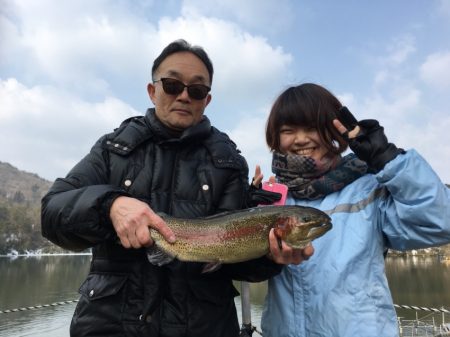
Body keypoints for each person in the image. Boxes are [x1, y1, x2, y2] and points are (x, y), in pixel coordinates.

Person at [41, 39, 304, 337]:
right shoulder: (111, 149)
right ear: (153, 91)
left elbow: (235, 265)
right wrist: (109, 206)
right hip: (111, 327)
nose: (184, 96)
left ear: (207, 100)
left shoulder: (229, 163)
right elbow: (51, 214)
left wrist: (270, 257)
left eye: (196, 90)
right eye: (172, 85)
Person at [257, 83, 450, 337]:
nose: (301, 138)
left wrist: (387, 158)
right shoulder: (272, 198)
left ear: (334, 131)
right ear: (275, 138)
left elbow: (440, 222)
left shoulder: (370, 189)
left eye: (312, 127)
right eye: (288, 130)